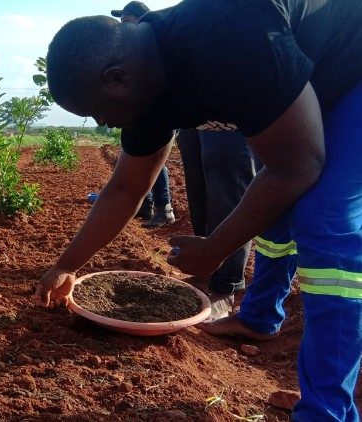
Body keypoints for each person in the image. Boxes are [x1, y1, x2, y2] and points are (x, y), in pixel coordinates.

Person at [36, 3, 362, 419]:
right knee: (276, 211)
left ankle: (327, 410)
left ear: (116, 78)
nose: (103, 121)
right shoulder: (143, 91)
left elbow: (297, 165)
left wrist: (214, 250)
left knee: (324, 219)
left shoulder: (227, 38)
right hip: (306, 77)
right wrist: (66, 265)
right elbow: (125, 188)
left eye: (96, 111)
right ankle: (259, 319)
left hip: (353, 70)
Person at [176, 129, 260, 317]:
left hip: (231, 109)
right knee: (198, 184)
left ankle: (225, 285)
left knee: (227, 175)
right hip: (196, 108)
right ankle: (205, 271)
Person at [112, 1, 175, 229]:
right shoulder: (128, 48)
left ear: (142, 20)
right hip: (140, 116)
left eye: (127, 20)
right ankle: (146, 207)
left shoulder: (155, 44)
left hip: (159, 114)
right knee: (141, 159)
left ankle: (163, 208)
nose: (123, 25)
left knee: (156, 162)